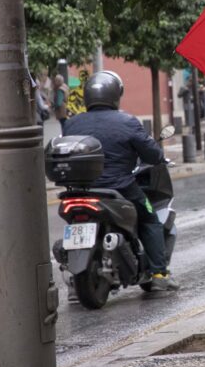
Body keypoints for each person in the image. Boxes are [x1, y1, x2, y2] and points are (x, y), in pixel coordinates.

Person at [64, 70, 179, 292]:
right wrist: (159, 157)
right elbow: (152, 154)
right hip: (121, 188)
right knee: (150, 219)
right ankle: (159, 273)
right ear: (116, 95)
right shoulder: (127, 121)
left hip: (81, 190)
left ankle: (73, 277)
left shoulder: (72, 123)